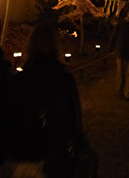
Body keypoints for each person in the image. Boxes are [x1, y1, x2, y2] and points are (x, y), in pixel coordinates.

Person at [1, 22, 83, 178]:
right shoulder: (65, 79)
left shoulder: (19, 81)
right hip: (53, 156)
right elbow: (75, 119)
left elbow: (7, 118)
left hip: (22, 154)